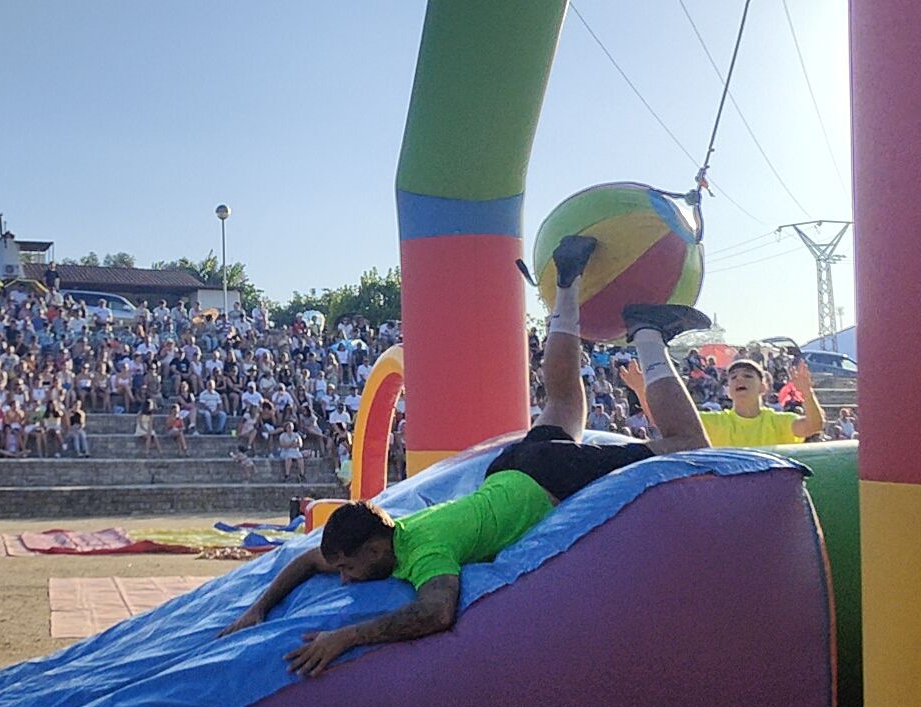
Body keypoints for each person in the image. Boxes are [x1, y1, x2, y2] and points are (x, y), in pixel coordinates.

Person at [222, 236, 715, 677]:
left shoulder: (424, 552)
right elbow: (310, 560)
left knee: (687, 443)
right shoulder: (385, 533)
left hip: (542, 478)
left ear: (375, 549)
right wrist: (258, 609)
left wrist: (346, 636)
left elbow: (435, 613)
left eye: (349, 569)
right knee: (565, 404)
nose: (345, 577)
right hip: (510, 469)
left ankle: (647, 333)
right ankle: (566, 281)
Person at [620, 353, 823, 447]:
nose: (739, 379)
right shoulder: (716, 421)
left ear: (764, 386)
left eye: (748, 376)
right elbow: (663, 421)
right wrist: (640, 389)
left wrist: (806, 391)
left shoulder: (780, 422)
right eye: (733, 377)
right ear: (727, 390)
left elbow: (814, 425)